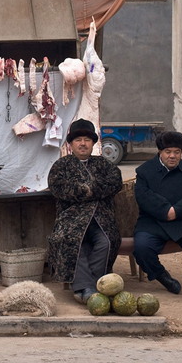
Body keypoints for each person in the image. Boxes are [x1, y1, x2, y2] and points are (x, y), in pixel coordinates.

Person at [47, 118, 124, 303]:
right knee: (70, 240)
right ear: (71, 144)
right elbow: (60, 189)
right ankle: (85, 287)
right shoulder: (61, 166)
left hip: (100, 217)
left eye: (87, 140)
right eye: (78, 140)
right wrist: (94, 189)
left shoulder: (104, 165)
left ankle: (91, 286)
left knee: (108, 241)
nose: (83, 144)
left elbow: (115, 183)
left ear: (93, 143)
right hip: (71, 219)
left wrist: (84, 189)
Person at [133, 130, 182, 302]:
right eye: (168, 152)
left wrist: (176, 211)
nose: (172, 156)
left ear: (181, 152)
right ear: (160, 152)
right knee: (142, 246)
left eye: (177, 152)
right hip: (152, 221)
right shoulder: (144, 171)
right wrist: (164, 210)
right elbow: (143, 196)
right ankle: (163, 277)